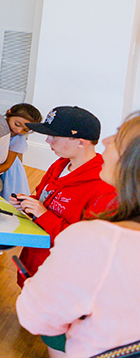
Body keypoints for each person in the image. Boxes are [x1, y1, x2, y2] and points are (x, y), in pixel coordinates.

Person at [17, 113, 140, 358]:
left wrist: (44, 215)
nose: (105, 141)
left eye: (118, 137)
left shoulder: (97, 235)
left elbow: (36, 316)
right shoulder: (59, 165)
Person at [11, 107, 116, 318]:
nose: (48, 141)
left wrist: (43, 214)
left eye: (54, 136)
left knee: (50, 325)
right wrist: (28, 203)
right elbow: (43, 198)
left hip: (60, 275)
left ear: (82, 142)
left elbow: (85, 245)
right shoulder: (59, 165)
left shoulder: (103, 187)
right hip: (35, 258)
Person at [0, 103, 43, 200]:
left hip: (8, 170)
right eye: (17, 124)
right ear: (8, 113)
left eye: (25, 130)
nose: (19, 131)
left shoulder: (18, 139)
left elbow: (8, 164)